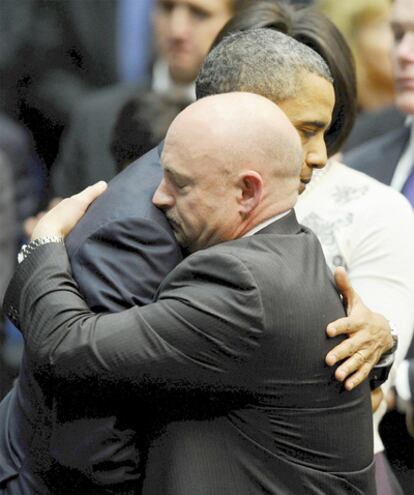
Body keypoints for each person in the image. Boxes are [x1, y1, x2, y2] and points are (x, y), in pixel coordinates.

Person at [0, 28, 389, 495]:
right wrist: (42, 244)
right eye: (304, 130)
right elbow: (86, 409)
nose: (320, 155)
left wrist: (377, 342)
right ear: (238, 113)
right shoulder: (144, 222)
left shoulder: (246, 213)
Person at [214, 4, 414, 494]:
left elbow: (361, 387)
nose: (403, 53)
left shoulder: (375, 209)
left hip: (325, 474)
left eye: (307, 124)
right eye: (397, 34)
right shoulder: (179, 195)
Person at [50, 0, 253, 198]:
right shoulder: (95, 118)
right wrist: (48, 232)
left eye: (199, 13)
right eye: (167, 7)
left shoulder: (250, 125)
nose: (177, 30)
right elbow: (55, 221)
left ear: (235, 22)